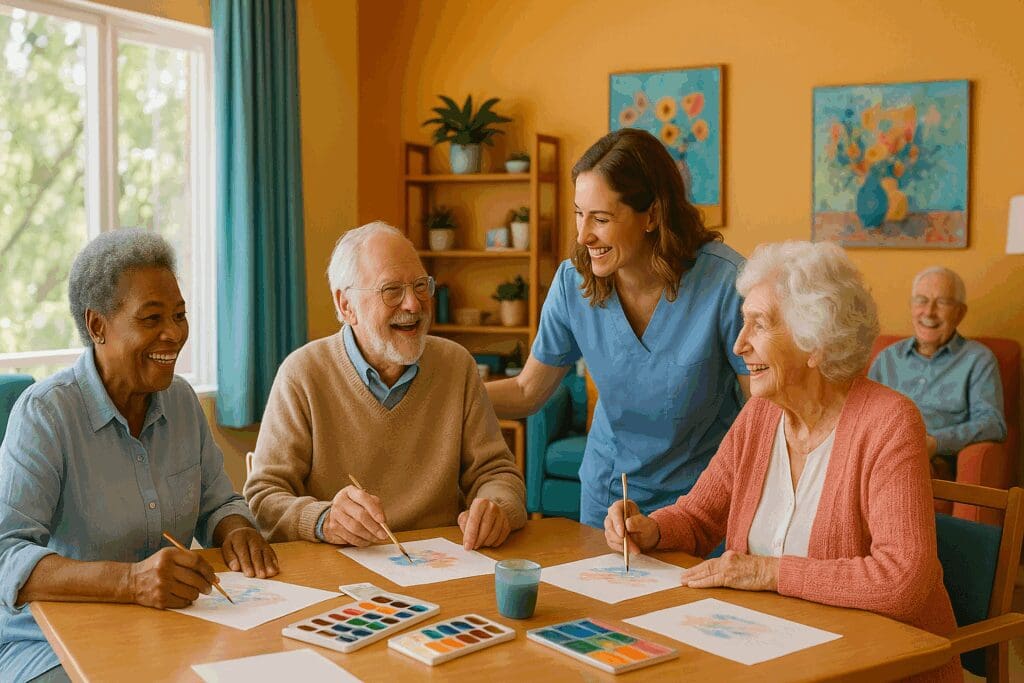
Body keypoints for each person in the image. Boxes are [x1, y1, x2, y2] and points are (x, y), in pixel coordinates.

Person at [604, 241, 959, 682]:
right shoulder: (760, 414)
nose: (738, 344)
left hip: (875, 667)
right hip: (771, 654)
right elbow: (698, 517)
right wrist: (652, 528)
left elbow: (903, 581)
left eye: (759, 325)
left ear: (815, 342)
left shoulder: (889, 423)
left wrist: (766, 572)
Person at [0, 230, 277, 683]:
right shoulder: (45, 415)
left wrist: (237, 528)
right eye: (152, 318)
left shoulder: (183, 402)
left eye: (180, 315)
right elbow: (6, 557)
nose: (174, 334)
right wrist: (131, 582)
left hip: (166, 630)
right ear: (97, 326)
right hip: (47, 647)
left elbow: (218, 503)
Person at [486, 128, 749, 528]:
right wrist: (447, 396)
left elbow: (761, 413)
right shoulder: (572, 282)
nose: (582, 235)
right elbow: (527, 391)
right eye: (579, 213)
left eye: (601, 218)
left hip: (702, 506)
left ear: (652, 216)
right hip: (609, 501)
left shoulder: (727, 284)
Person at [244, 222, 526, 550]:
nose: (414, 305)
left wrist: (496, 508)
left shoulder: (456, 365)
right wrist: (324, 520)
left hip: (442, 564)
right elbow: (262, 499)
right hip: (338, 569)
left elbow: (498, 474)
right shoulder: (303, 374)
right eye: (392, 290)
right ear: (346, 305)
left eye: (421, 286)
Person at [869, 266, 1006, 479]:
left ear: (960, 312)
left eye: (942, 302)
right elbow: (863, 416)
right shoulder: (887, 358)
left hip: (933, 462)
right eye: (921, 300)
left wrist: (935, 442)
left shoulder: (978, 359)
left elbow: (993, 424)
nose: (929, 312)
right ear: (911, 306)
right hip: (881, 451)